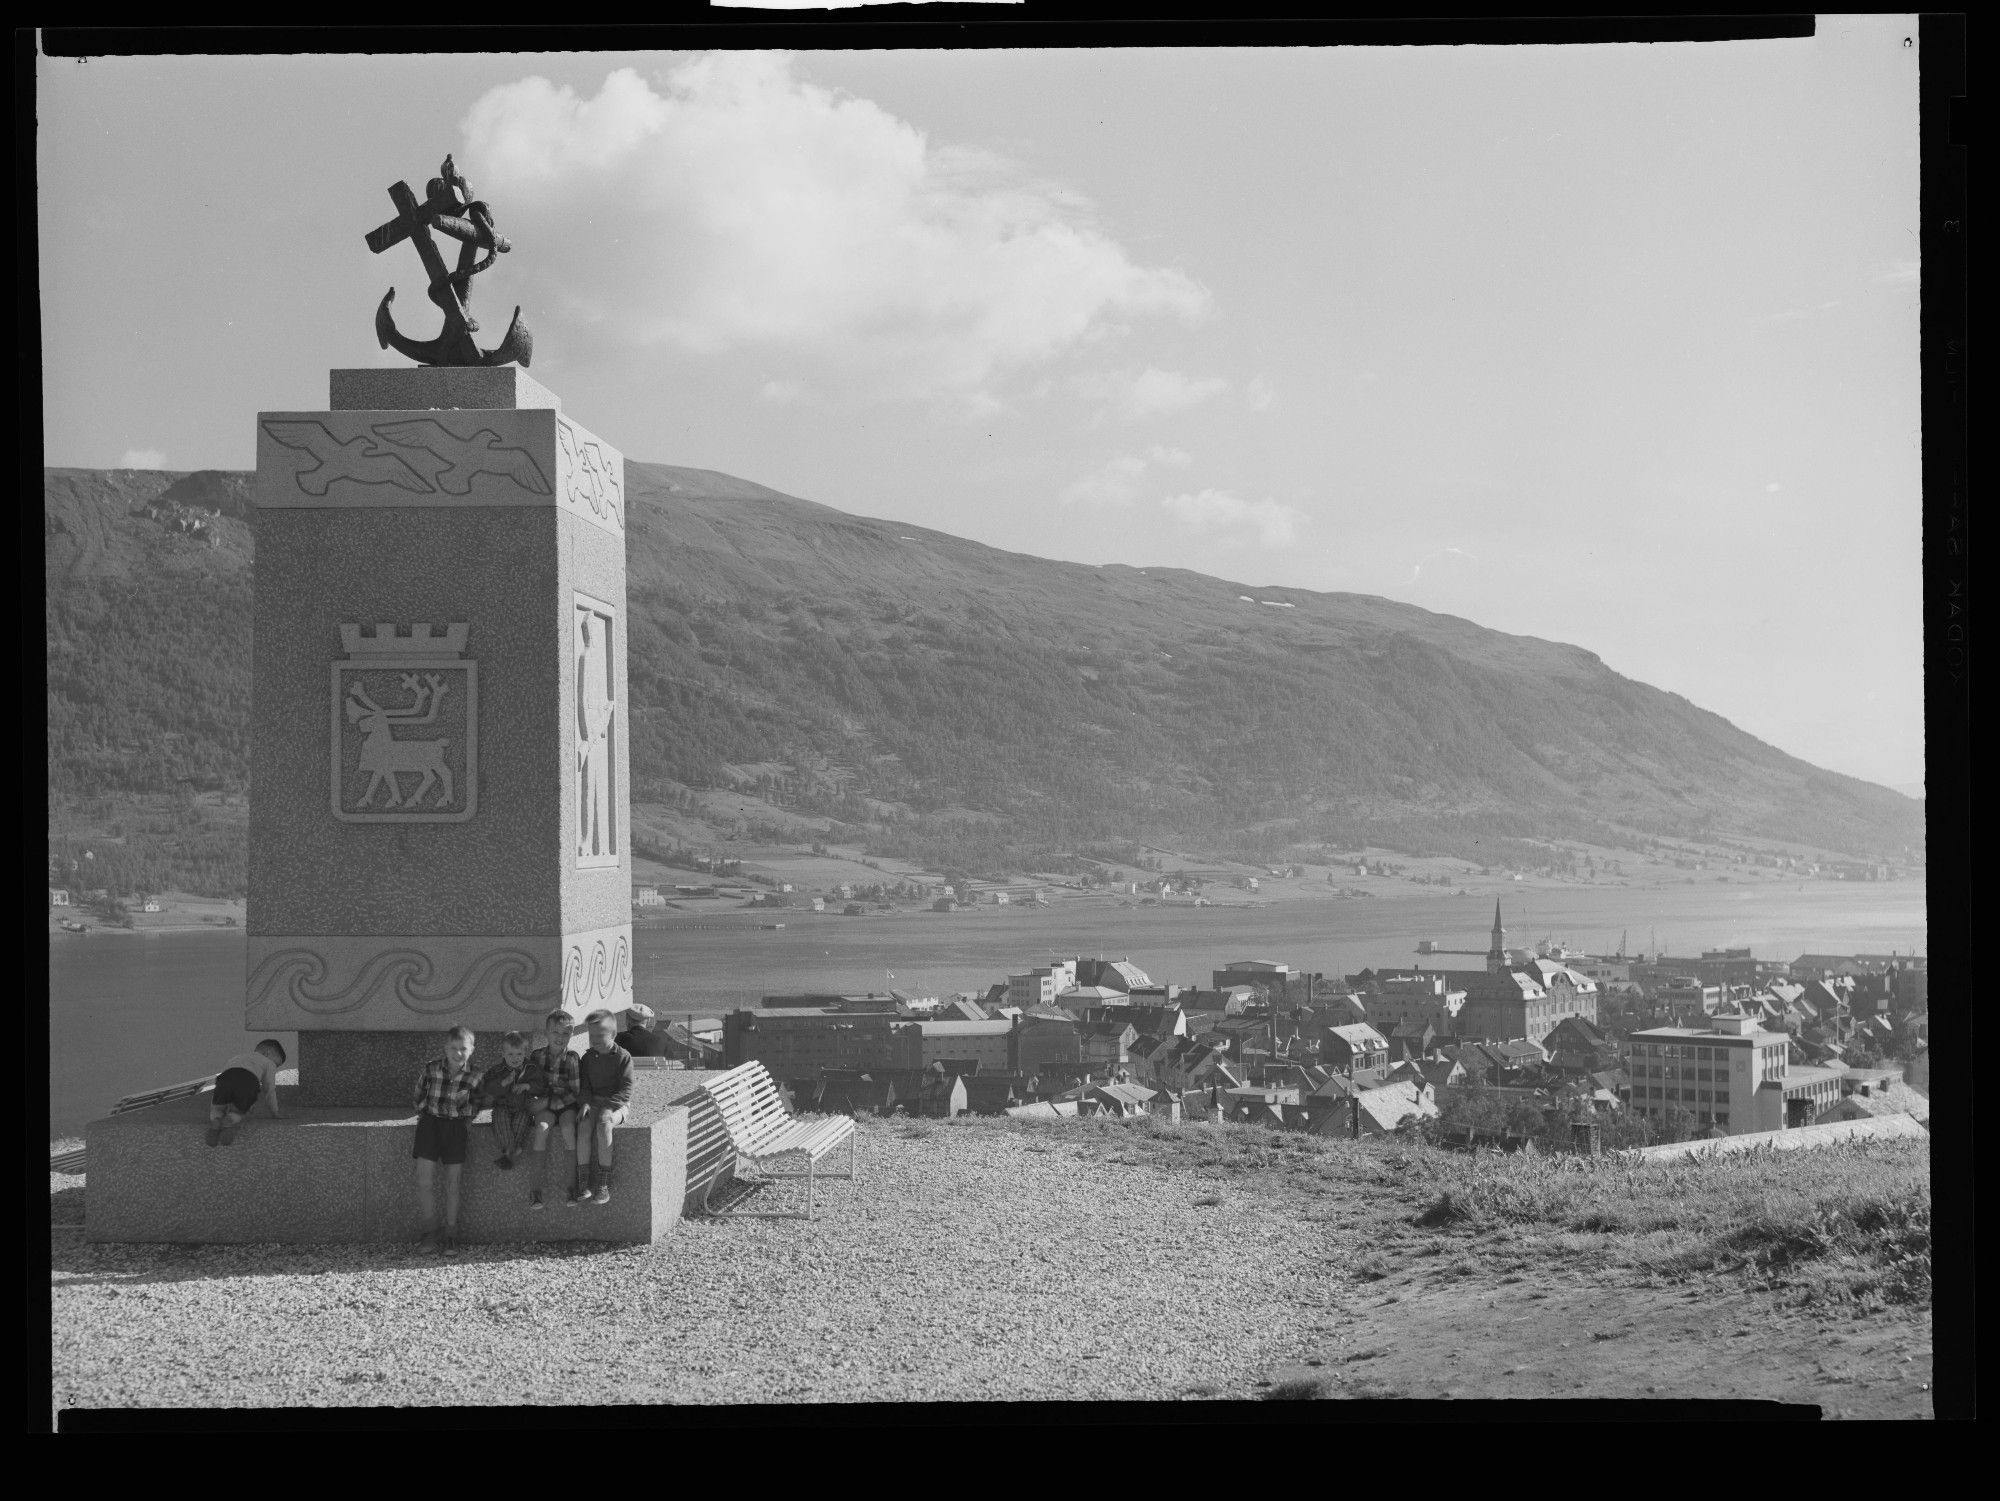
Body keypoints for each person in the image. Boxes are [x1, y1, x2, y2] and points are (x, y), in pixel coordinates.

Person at [411, 1025, 483, 1255]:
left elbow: (479, 1101)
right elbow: (419, 1092)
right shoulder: (432, 1068)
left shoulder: (475, 1075)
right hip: (430, 1125)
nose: (458, 1053)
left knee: (453, 1184)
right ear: (446, 1048)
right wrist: (424, 1110)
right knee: (424, 1181)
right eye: (453, 1048)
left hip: (455, 1128)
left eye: (463, 1048)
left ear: (471, 1049)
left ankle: (451, 1233)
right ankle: (430, 1232)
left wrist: (467, 1118)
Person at [572, 1010, 635, 1207]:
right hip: (594, 1101)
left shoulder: (623, 1057)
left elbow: (626, 1089)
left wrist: (609, 1107)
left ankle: (603, 1182)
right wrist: (585, 1103)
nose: (595, 1040)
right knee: (583, 1127)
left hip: (617, 1104)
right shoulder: (588, 1058)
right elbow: (584, 1087)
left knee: (603, 1124)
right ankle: (583, 1180)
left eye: (600, 1036)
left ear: (613, 1034)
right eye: (591, 1036)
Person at [523, 1010, 582, 1210]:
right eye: (555, 1032)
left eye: (566, 1033)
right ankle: (535, 1190)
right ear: (546, 1033)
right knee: (541, 1129)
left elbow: (575, 1091)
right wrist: (544, 1101)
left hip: (566, 1105)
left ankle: (571, 1186)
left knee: (568, 1130)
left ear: (572, 1035)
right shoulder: (537, 1056)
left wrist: (559, 1102)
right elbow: (531, 1083)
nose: (560, 1038)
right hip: (546, 1103)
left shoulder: (573, 1058)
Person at [206, 1039, 286, 1146]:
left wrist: (215, 1102)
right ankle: (230, 1120)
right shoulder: (268, 1063)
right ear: (268, 1053)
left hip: (226, 1078)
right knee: (239, 1110)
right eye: (276, 1064)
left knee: (218, 1107)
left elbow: (221, 1081)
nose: (275, 1067)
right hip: (248, 1080)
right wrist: (274, 1112)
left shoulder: (236, 1058)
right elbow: (269, 1090)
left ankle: (215, 1120)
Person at [478, 1031, 538, 1172]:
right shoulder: (497, 1070)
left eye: (519, 1054)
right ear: (503, 1054)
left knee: (521, 1122)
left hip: (523, 1106)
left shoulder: (532, 1068)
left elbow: (541, 1085)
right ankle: (514, 1150)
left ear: (525, 1052)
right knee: (500, 1120)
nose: (515, 1058)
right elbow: (488, 1088)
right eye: (510, 1054)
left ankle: (507, 1154)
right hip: (502, 1105)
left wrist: (527, 1086)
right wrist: (504, 1083)